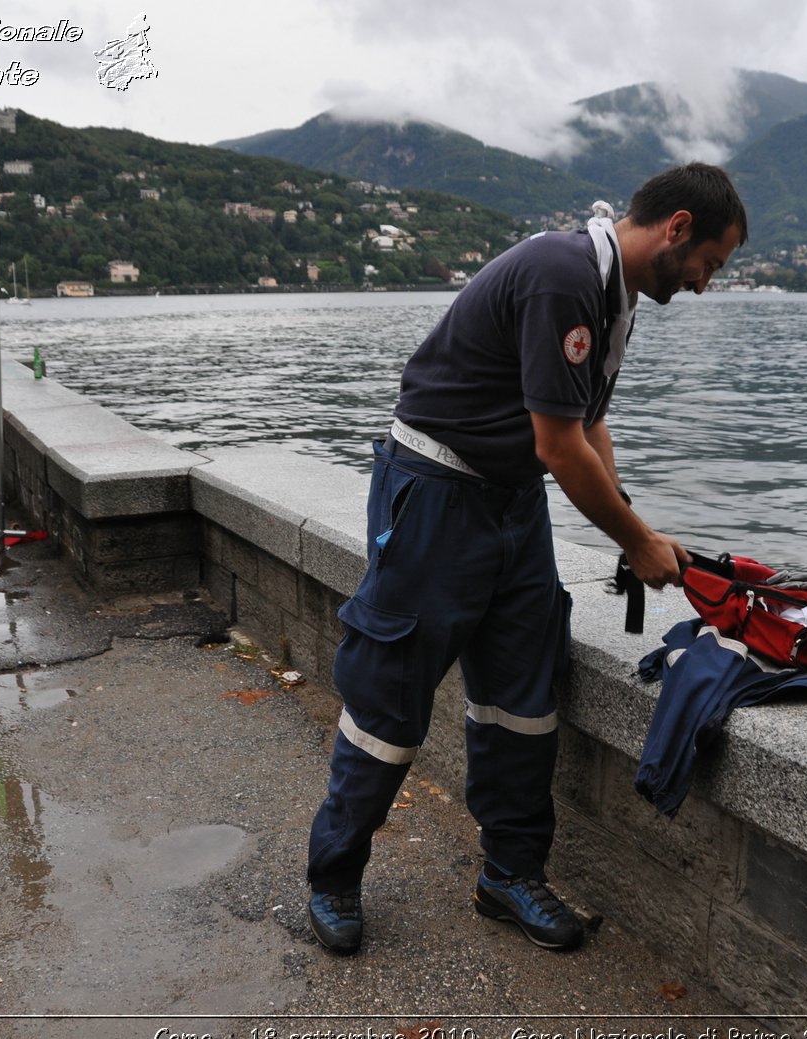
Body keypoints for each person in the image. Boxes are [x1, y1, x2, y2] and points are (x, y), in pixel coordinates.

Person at [306, 162, 747, 955]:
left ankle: (508, 875)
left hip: (511, 503)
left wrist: (639, 522)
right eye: (711, 264)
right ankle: (333, 875)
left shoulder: (615, 297)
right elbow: (557, 444)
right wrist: (634, 542)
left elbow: (587, 426)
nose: (708, 285)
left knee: (523, 696)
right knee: (389, 698)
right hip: (437, 493)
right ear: (677, 228)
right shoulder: (562, 275)